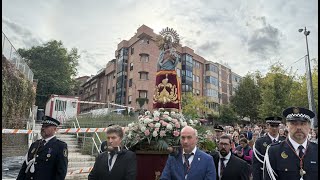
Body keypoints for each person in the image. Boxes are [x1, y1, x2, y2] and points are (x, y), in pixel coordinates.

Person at [263, 107, 318, 180]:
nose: (299, 127)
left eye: (303, 123)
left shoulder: (316, 149)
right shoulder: (274, 151)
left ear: (309, 126)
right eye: (294, 123)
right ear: (287, 126)